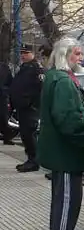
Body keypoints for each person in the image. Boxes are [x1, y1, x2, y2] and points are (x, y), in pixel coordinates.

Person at [37, 38, 84, 230]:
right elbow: (68, 119)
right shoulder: (64, 81)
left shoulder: (54, 76)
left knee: (62, 196)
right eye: (76, 54)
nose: (80, 58)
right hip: (66, 151)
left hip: (60, 149)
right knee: (68, 198)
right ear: (65, 55)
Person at [9, 44, 46, 172]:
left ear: (32, 54)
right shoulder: (24, 68)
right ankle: (30, 159)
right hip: (22, 107)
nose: (23, 56)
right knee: (25, 135)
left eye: (26, 53)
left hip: (30, 109)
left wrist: (31, 104)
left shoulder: (36, 69)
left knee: (30, 134)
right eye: (22, 53)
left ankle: (34, 161)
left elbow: (39, 89)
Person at [0, 59, 13, 145]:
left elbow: (10, 82)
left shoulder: (4, 67)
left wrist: (6, 91)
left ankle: (6, 137)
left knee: (3, 117)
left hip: (2, 96)